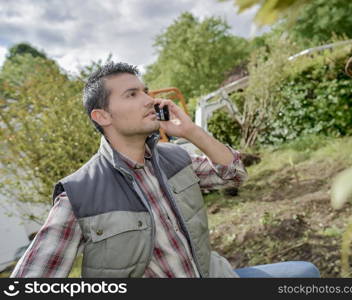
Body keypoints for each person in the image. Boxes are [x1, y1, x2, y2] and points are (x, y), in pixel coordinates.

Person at [10, 62, 320, 278]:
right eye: (132, 95)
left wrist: (193, 133)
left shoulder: (174, 157)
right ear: (103, 116)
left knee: (306, 273)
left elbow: (235, 175)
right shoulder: (79, 195)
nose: (150, 100)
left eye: (145, 91)